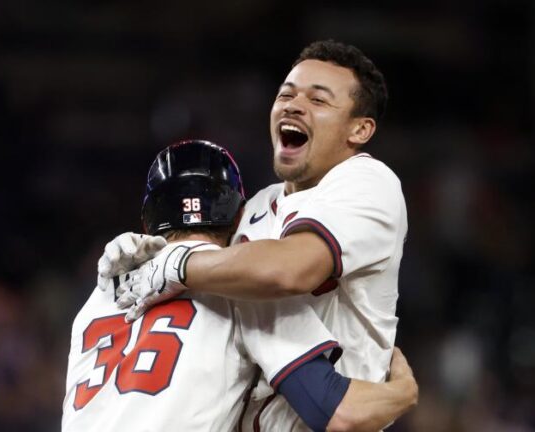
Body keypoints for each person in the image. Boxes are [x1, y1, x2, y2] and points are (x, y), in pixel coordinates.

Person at [98, 40, 408, 431]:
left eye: (318, 100)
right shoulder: (256, 205)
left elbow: (289, 271)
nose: (294, 105)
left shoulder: (369, 182)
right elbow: (200, 279)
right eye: (286, 94)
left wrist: (176, 262)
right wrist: (147, 252)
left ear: (359, 129)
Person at [65, 140, 416, 432]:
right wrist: (403, 392)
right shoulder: (246, 287)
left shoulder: (99, 299)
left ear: (148, 218)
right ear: (238, 216)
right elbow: (338, 411)